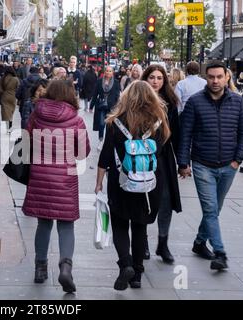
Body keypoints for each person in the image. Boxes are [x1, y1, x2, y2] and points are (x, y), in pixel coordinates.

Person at [95, 81, 171, 290]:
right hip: (150, 183)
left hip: (122, 180)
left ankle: (125, 264)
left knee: (119, 223)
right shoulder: (159, 121)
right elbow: (161, 151)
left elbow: (106, 155)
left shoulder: (115, 122)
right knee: (140, 226)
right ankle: (137, 275)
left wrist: (99, 181)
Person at [178, 62, 243, 270]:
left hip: (229, 165)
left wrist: (238, 160)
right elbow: (186, 134)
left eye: (219, 77)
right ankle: (220, 252)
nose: (215, 81)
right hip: (202, 164)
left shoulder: (238, 102)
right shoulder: (195, 102)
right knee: (210, 209)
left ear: (227, 77)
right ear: (205, 78)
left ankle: (200, 242)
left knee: (215, 209)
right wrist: (183, 162)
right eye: (211, 77)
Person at [22, 80, 91, 293]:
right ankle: (65, 267)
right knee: (66, 224)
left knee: (44, 223)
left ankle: (40, 268)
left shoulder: (36, 114)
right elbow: (83, 152)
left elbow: (26, 142)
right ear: (71, 95)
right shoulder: (76, 120)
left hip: (40, 176)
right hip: (65, 178)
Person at [142, 64, 182, 263]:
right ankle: (143, 243)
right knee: (143, 200)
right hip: (141, 157)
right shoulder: (136, 100)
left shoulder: (170, 103)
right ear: (145, 79)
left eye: (159, 78)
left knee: (165, 201)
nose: (156, 81)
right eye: (152, 77)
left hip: (164, 158)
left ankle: (163, 243)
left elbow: (176, 133)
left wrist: (183, 162)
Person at [90, 66, 121, 151]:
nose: (108, 72)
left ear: (112, 73)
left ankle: (108, 142)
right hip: (101, 106)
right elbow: (95, 94)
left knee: (110, 125)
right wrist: (91, 106)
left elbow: (118, 96)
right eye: (107, 71)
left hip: (111, 107)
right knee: (101, 124)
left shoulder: (116, 82)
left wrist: (118, 107)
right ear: (104, 72)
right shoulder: (99, 81)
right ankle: (100, 141)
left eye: (110, 71)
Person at [0, 66, 20, 133]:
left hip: (5, 97)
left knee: (5, 114)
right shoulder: (16, 79)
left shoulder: (3, 78)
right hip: (13, 97)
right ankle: (9, 127)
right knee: (11, 113)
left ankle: (5, 128)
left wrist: (3, 92)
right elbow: (18, 88)